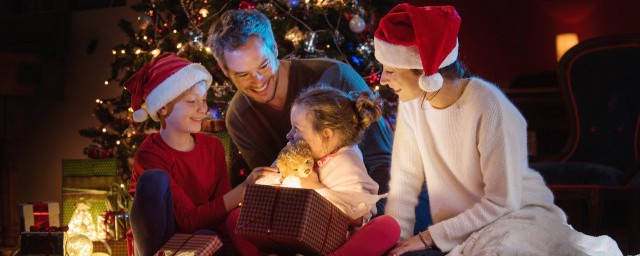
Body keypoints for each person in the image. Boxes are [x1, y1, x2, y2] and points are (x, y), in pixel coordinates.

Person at [375, 4, 623, 256]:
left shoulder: (487, 103)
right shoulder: (412, 104)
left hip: (515, 217)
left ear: (425, 72)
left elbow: (502, 202)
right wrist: (395, 241)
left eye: (391, 70)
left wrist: (428, 238)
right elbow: (405, 180)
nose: (382, 79)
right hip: (461, 226)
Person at [205, 9, 396, 215]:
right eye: (243, 74)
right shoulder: (239, 117)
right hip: (310, 217)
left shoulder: (335, 77)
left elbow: (383, 162)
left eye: (263, 65)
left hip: (371, 206)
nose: (258, 81)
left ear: (275, 49)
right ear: (225, 70)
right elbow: (275, 180)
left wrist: (371, 222)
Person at [125, 53, 275, 256]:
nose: (202, 108)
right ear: (162, 107)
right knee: (154, 179)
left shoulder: (212, 147)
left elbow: (221, 213)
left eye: (203, 100)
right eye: (191, 101)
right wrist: (244, 189)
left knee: (207, 236)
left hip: (201, 240)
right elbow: (187, 219)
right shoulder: (150, 155)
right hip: (162, 242)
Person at [226, 85, 401, 256]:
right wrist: (273, 181)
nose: (289, 135)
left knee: (388, 226)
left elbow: (356, 216)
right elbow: (269, 185)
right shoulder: (294, 149)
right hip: (287, 232)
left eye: (297, 129)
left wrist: (314, 187)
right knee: (236, 218)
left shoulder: (347, 159)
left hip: (331, 240)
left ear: (326, 134)